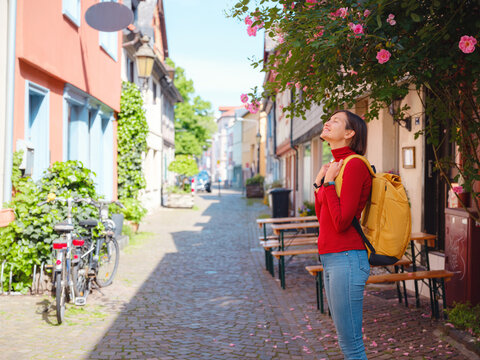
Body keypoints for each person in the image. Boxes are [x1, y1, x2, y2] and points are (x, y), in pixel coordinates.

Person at [313, 110, 372, 360]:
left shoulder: (355, 164)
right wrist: (320, 185)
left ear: (349, 133)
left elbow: (341, 222)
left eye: (335, 121)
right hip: (331, 257)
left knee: (352, 345)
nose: (327, 122)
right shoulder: (335, 166)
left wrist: (327, 184)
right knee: (345, 341)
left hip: (346, 257)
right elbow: (322, 216)